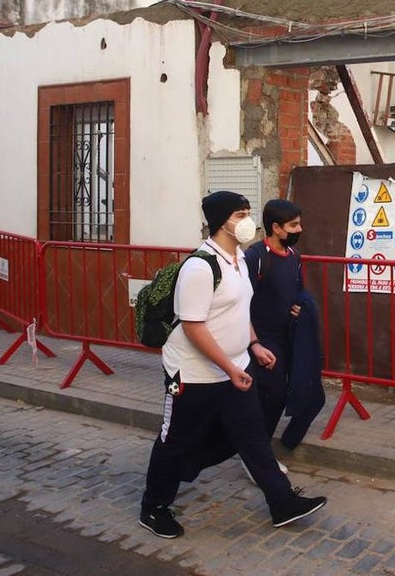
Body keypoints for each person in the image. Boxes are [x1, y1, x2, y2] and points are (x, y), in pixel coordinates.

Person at [137, 191, 326, 539]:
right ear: (222, 220)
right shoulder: (199, 266)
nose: (247, 221)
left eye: (247, 213)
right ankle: (154, 507)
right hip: (193, 374)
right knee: (174, 441)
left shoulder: (238, 259)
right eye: (241, 215)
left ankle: (282, 502)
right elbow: (193, 327)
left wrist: (253, 345)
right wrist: (228, 366)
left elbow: (240, 311)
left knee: (253, 437)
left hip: (234, 368)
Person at [244, 199, 326, 452]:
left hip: (290, 337)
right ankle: (259, 453)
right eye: (294, 225)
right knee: (275, 395)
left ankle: (282, 443)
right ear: (277, 228)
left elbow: (299, 292)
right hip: (263, 340)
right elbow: (239, 305)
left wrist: (303, 306)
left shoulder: (294, 257)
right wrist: (254, 344)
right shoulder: (255, 257)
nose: (299, 230)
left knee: (311, 393)